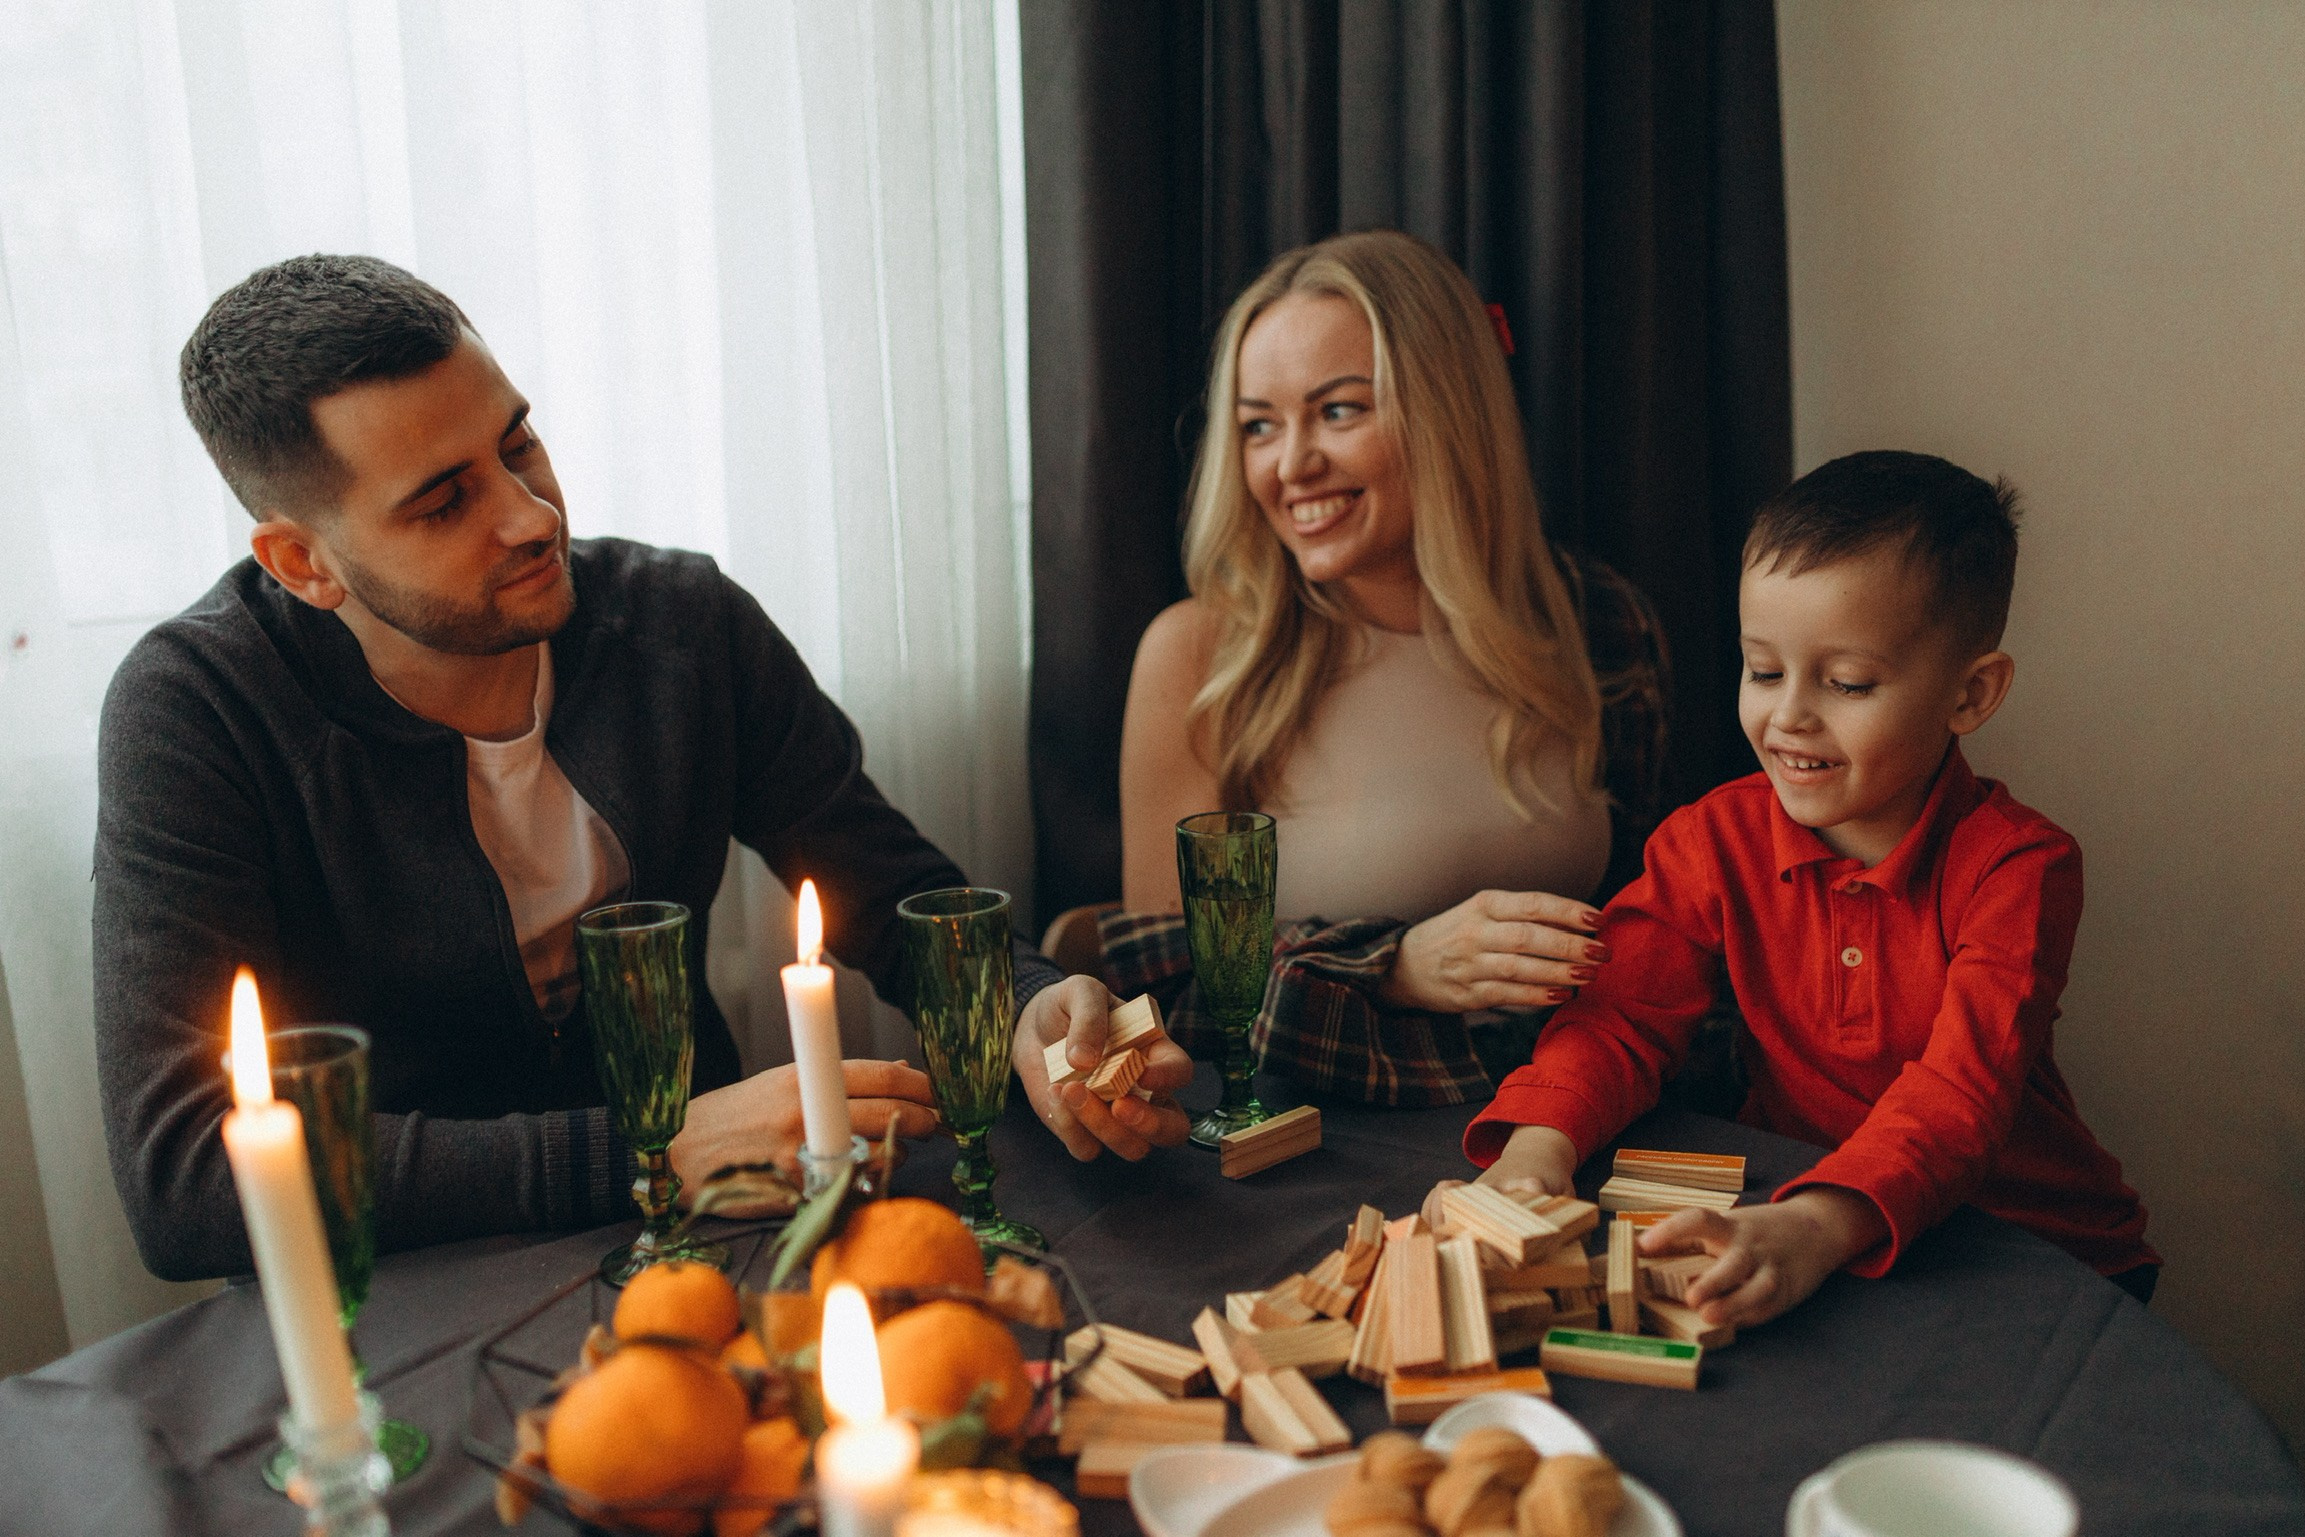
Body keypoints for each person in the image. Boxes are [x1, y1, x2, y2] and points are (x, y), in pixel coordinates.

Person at [96, 254, 1188, 1282]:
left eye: (517, 446)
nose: (531, 518)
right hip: (407, 1293)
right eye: (443, 501)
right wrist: (652, 1148)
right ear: (303, 563)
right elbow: (184, 1174)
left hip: (723, 1247)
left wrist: (1035, 1009)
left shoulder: (683, 626)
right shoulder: (198, 711)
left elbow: (897, 897)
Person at [1471, 451, 2158, 1325]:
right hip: (1800, 1221)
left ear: (1969, 692)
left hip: (2031, 1250)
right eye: (1763, 670)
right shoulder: (1711, 838)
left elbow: (1956, 1099)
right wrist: (1538, 1149)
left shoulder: (2018, 866)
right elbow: (1621, 1016)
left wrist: (1813, 1225)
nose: (1788, 714)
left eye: (1845, 683)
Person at [1112, 229, 1668, 1105]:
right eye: (1259, 425)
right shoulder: (1198, 656)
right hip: (1322, 1137)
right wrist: (1394, 969)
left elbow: (1656, 938)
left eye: (1338, 411)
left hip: (1563, 1117)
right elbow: (1166, 989)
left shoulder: (1597, 620)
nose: (1290, 465)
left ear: (1449, 410)